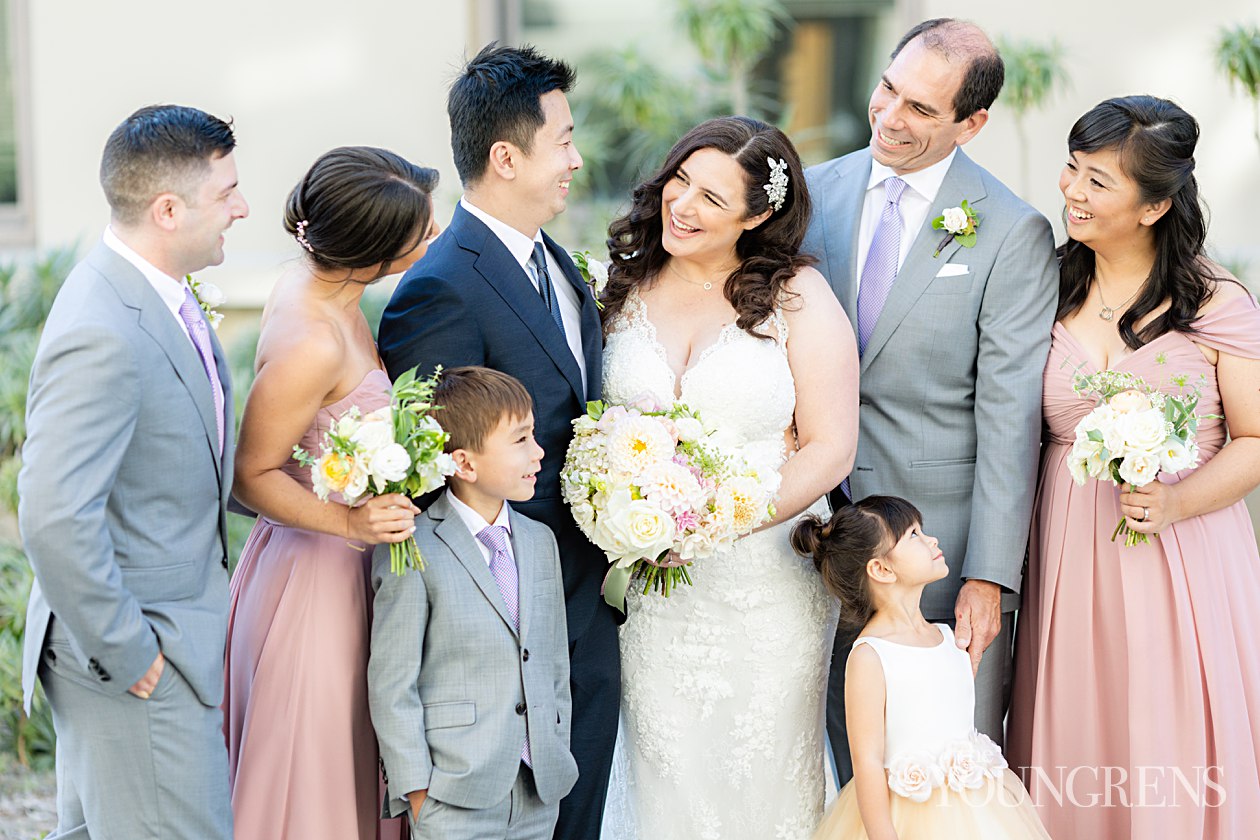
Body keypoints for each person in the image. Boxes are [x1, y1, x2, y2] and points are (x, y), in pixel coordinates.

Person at [800, 18, 1058, 781]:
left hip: (934, 562)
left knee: (941, 778)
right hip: (810, 542)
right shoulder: (815, 194)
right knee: (839, 776)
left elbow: (1011, 421)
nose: (890, 116)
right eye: (888, 89)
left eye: (920, 108)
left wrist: (988, 576)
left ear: (971, 124)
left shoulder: (1012, 233)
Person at [376, 43, 614, 840]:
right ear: (505, 157)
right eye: (565, 141)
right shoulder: (440, 287)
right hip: (503, 636)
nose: (577, 160)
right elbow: (436, 476)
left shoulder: (557, 262)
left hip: (585, 606)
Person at [597, 115, 859, 839]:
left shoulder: (796, 297)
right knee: (658, 762)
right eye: (680, 180)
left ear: (760, 213)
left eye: (712, 197)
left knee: (760, 766)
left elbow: (830, 448)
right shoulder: (619, 284)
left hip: (765, 584)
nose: (683, 205)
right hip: (648, 586)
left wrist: (715, 523)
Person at [1008, 95, 1260, 839]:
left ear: (1154, 206)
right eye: (1073, 170)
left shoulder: (1217, 303)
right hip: (1067, 555)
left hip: (1180, 554)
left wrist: (1178, 504)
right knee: (1079, 733)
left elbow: (1254, 439)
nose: (1072, 193)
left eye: (1098, 182)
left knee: (1168, 731)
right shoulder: (1043, 289)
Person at [18, 104, 247, 839]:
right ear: (168, 209)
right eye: (227, 194)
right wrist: (129, 652)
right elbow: (54, 513)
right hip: (140, 650)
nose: (241, 209)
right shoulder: (103, 326)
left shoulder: (159, 295)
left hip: (165, 635)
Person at [224, 146, 439, 839]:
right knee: (310, 779)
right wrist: (351, 522)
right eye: (423, 234)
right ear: (373, 253)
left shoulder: (332, 291)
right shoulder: (312, 339)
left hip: (347, 568)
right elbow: (252, 474)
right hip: (315, 584)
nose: (436, 239)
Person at [369, 366, 578, 840]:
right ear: (464, 463)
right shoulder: (413, 545)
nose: (539, 451)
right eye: (520, 440)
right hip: (453, 794)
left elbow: (552, 664)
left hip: (537, 790)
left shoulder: (540, 541)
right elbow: (392, 683)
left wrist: (555, 744)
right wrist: (416, 791)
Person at [794, 497, 1051, 840]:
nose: (932, 540)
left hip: (977, 810)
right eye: (913, 535)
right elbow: (868, 762)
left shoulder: (948, 638)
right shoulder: (871, 656)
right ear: (881, 569)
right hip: (908, 817)